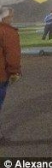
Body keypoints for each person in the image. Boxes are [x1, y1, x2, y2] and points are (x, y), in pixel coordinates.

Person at [0, 7, 22, 140]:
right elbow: (12, 54)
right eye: (10, 16)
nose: (12, 19)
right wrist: (14, 71)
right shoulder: (7, 31)